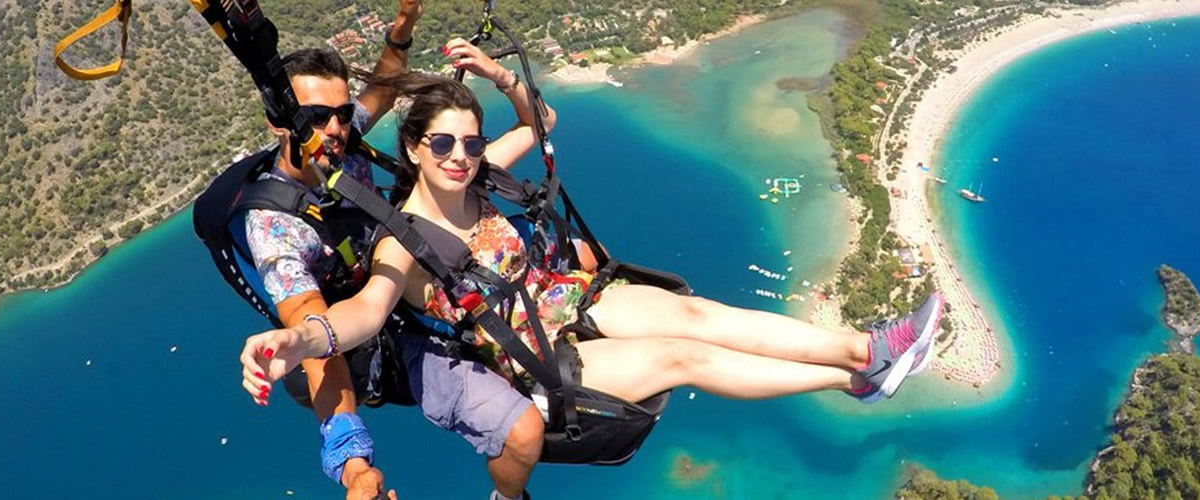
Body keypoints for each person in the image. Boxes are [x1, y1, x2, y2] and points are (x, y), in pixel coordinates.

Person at [235, 68, 944, 449]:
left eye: (471, 143)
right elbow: (363, 315)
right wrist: (297, 341)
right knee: (683, 357)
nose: (461, 156)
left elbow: (539, 122)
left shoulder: (477, 177)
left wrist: (498, 76)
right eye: (444, 144)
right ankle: (851, 380)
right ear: (416, 148)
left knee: (696, 313)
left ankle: (866, 348)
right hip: (538, 359)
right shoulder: (402, 238)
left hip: (569, 296)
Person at [234, 10, 545, 499]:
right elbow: (318, 339)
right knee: (520, 429)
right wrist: (355, 467)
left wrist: (404, 22)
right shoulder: (276, 228)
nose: (334, 127)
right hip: (376, 331)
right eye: (316, 117)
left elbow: (381, 86)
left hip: (408, 263)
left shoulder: (336, 141)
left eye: (341, 113)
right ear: (280, 122)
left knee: (576, 256)